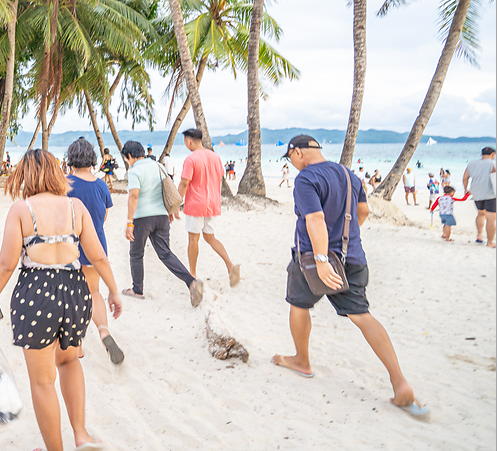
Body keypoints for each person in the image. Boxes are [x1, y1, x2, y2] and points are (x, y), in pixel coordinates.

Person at [0, 149, 123, 451]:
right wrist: (114, 291)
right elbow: (98, 256)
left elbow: (5, 265)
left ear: (25, 175)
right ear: (57, 172)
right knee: (69, 362)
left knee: (42, 382)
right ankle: (80, 433)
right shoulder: (76, 207)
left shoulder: (21, 210)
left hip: (36, 293)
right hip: (75, 290)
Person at [271, 135, 427, 417]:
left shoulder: (306, 179)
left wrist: (321, 260)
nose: (292, 164)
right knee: (362, 315)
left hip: (311, 259)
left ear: (296, 153)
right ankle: (399, 382)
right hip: (352, 257)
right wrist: (345, 240)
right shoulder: (349, 175)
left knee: (299, 304)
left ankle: (302, 360)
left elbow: (315, 219)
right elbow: (363, 211)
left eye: (290, 158)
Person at [121, 140, 204, 307]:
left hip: (142, 218)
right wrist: (170, 211)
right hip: (161, 217)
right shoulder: (158, 166)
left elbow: (134, 196)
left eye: (126, 158)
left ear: (129, 156)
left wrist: (130, 222)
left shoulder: (135, 171)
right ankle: (191, 282)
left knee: (136, 254)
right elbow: (167, 189)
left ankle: (137, 290)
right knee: (165, 253)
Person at [65, 138, 123, 364]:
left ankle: (77, 345)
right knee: (95, 292)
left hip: (71, 246)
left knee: (72, 294)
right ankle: (103, 331)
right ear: (92, 159)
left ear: (71, 158)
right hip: (96, 244)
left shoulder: (65, 183)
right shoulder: (100, 185)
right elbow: (104, 215)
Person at [178, 129, 240, 287]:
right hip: (212, 203)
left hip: (196, 204)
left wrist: (176, 202)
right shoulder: (215, 157)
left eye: (185, 141)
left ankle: (192, 274)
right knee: (210, 237)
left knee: (193, 239)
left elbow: (184, 183)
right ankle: (230, 266)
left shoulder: (191, 159)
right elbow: (219, 179)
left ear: (189, 141)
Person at [463, 147, 496, 247]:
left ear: (482, 154)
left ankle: (479, 236)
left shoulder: (471, 163)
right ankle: (490, 242)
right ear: (493, 154)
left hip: (476, 193)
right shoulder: (493, 163)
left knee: (481, 213)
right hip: (490, 194)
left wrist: (466, 189)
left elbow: (465, 178)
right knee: (491, 218)